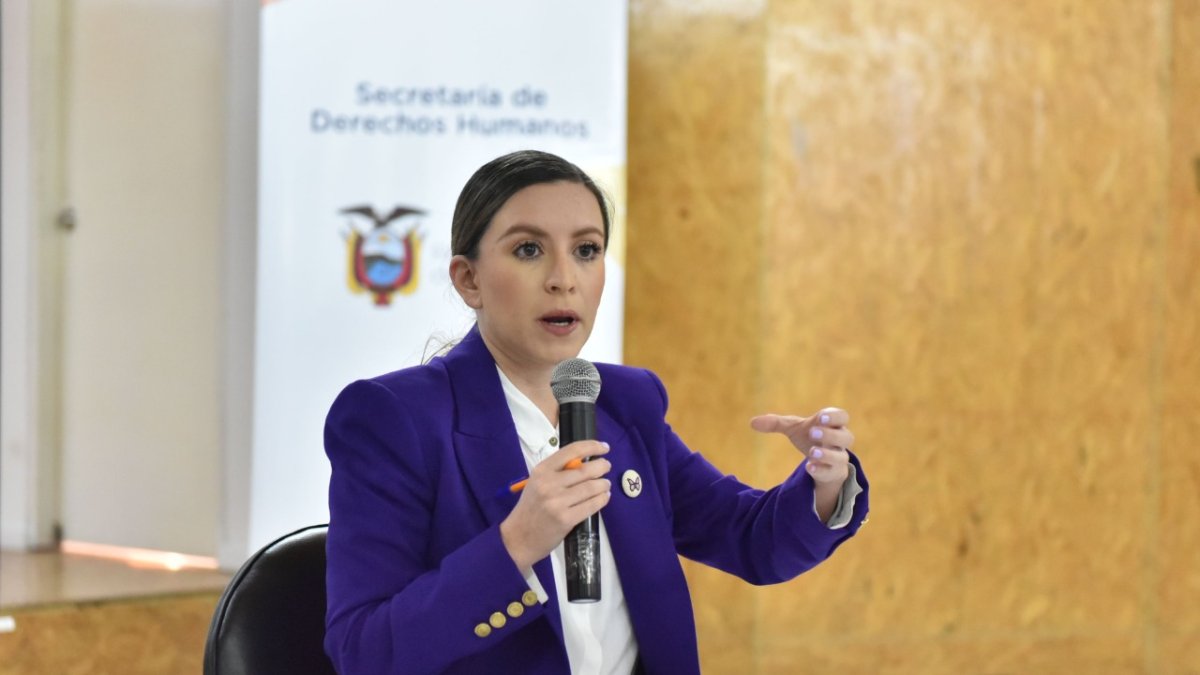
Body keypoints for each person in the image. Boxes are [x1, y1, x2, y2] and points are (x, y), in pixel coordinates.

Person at [323, 150, 869, 675]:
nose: (565, 278)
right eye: (529, 250)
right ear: (468, 280)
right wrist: (514, 545)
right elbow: (363, 651)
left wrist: (824, 481)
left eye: (587, 250)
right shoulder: (393, 419)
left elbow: (751, 540)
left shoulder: (627, 403)